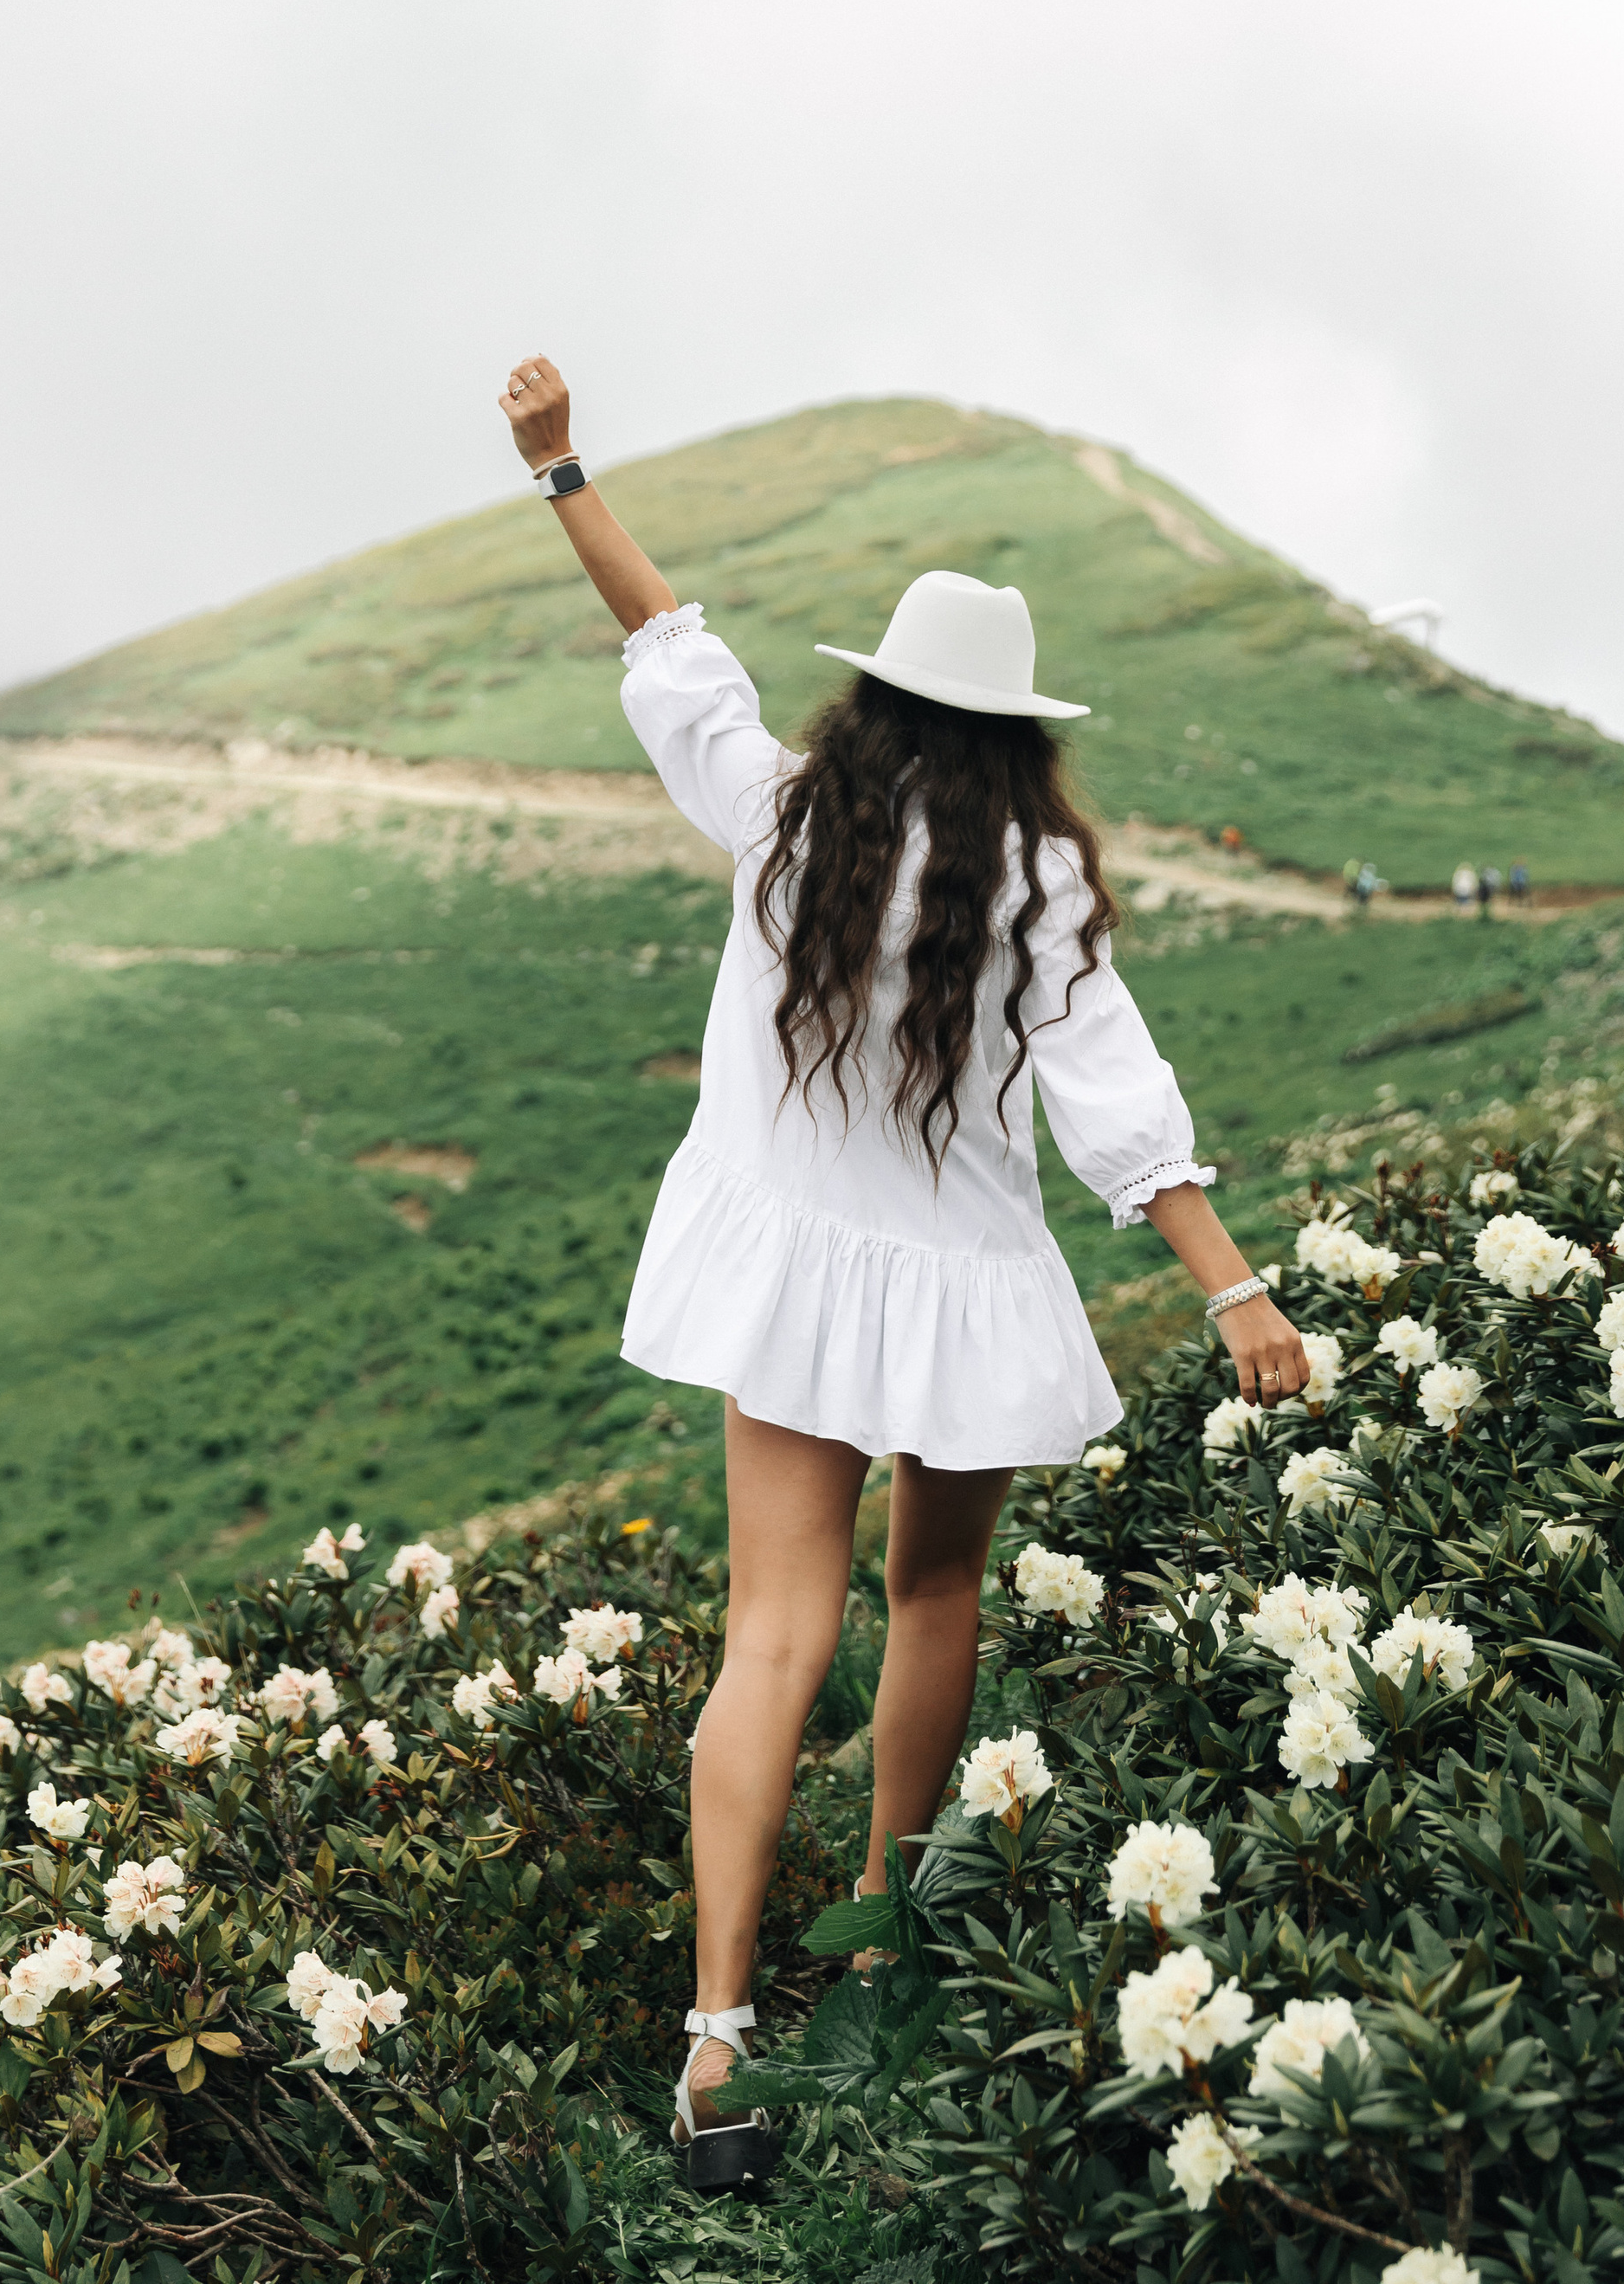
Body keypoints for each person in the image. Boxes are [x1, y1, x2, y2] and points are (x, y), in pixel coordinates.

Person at [496, 357, 1309, 2191]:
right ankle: (873, 1941)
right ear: (1020, 733)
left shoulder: (785, 815)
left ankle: (715, 2047)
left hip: (790, 1283)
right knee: (928, 1600)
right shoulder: (1033, 883)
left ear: (873, 697)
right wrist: (1233, 1290)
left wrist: (561, 473)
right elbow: (1120, 1100)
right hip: (958, 1293)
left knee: (769, 1636)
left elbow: (669, 641)